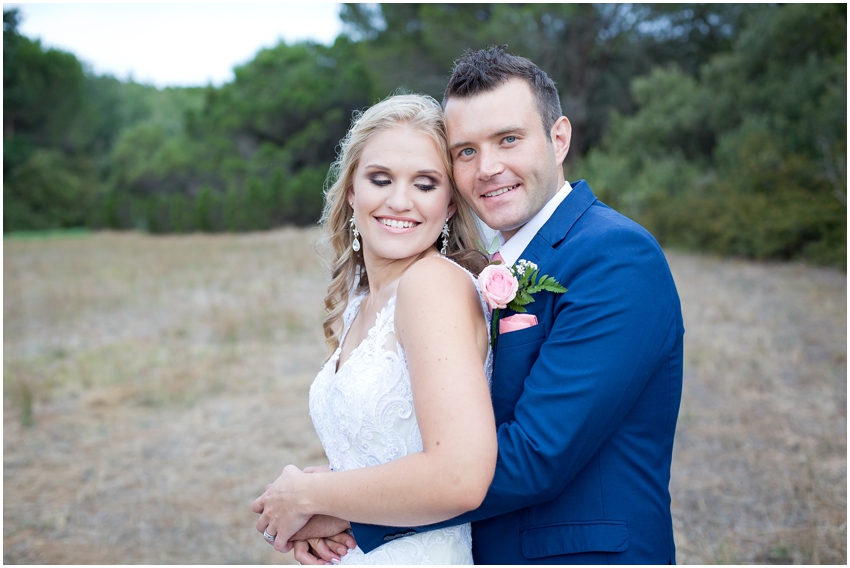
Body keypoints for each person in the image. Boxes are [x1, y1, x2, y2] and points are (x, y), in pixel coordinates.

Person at [277, 46, 685, 565]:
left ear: (559, 138)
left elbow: (537, 454)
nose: (488, 167)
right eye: (466, 151)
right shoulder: (492, 267)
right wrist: (348, 489)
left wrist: (341, 504)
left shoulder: (615, 256)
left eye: (508, 139)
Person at [251, 93, 498, 563]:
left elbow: (460, 477)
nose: (399, 201)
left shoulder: (432, 285)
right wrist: (321, 504)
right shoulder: (362, 302)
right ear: (351, 191)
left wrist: (308, 496)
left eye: (425, 184)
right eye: (380, 179)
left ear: (449, 204)